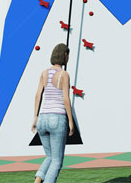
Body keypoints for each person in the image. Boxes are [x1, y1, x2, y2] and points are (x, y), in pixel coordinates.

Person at [32, 43, 75, 183]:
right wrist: (70, 121)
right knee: (57, 161)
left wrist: (35, 117)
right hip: (57, 118)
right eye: (68, 55)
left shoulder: (44, 73)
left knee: (49, 157)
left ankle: (37, 180)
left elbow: (38, 94)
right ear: (64, 55)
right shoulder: (64, 75)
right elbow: (66, 99)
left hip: (42, 118)